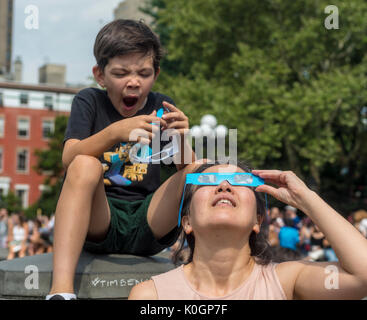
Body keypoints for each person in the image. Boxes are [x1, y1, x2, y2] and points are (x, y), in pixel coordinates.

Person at [46, 19, 201, 300]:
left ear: (155, 74)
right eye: (121, 73)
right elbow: (68, 158)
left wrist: (180, 138)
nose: (133, 82)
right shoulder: (89, 101)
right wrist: (114, 132)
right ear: (100, 75)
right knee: (84, 162)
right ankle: (61, 291)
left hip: (149, 220)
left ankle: (212, 276)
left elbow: (189, 173)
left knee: (200, 170)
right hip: (100, 219)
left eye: (144, 73)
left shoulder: (161, 104)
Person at [129, 162, 367, 300]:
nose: (224, 185)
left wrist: (307, 200)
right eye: (208, 180)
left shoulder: (286, 281)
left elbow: (362, 276)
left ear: (258, 220)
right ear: (187, 221)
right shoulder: (151, 295)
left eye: (239, 181)